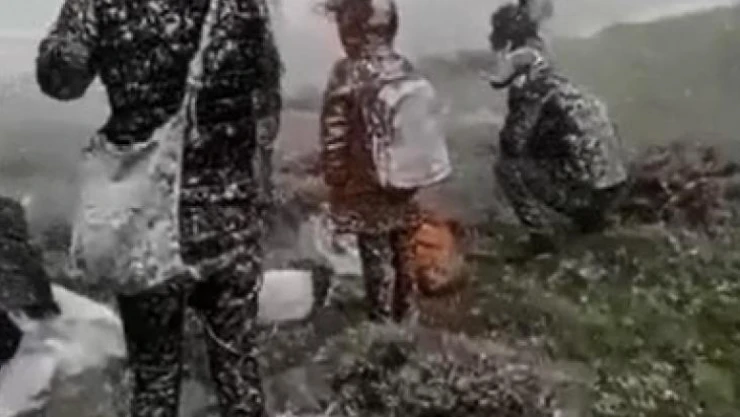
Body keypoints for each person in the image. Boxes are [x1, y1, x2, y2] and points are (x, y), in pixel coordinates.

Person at [36, 0, 282, 415]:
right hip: (231, 213)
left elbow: (61, 82)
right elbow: (266, 97)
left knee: (155, 378)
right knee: (238, 370)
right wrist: (259, 191)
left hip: (147, 218)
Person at [484, 0, 629, 254]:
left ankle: (542, 239)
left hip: (589, 193)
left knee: (507, 168)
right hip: (615, 185)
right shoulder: (556, 78)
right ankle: (593, 216)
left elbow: (513, 143)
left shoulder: (528, 86)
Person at [319, 0, 422, 322]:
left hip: (367, 180)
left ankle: (382, 318)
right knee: (403, 247)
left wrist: (336, 174)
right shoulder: (404, 66)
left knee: (375, 251)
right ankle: (409, 311)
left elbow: (335, 128)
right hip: (405, 177)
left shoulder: (347, 71)